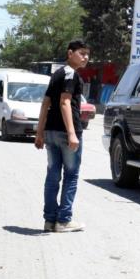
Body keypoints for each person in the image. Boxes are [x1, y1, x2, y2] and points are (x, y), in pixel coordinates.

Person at [34, 40, 90, 233]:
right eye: (81, 53)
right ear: (70, 53)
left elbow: (45, 103)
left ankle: (49, 221)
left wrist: (40, 132)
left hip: (50, 132)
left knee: (52, 175)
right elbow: (64, 102)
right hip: (66, 134)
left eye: (87, 54)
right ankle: (64, 220)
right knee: (71, 176)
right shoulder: (70, 74)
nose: (86, 57)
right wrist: (72, 133)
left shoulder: (56, 74)